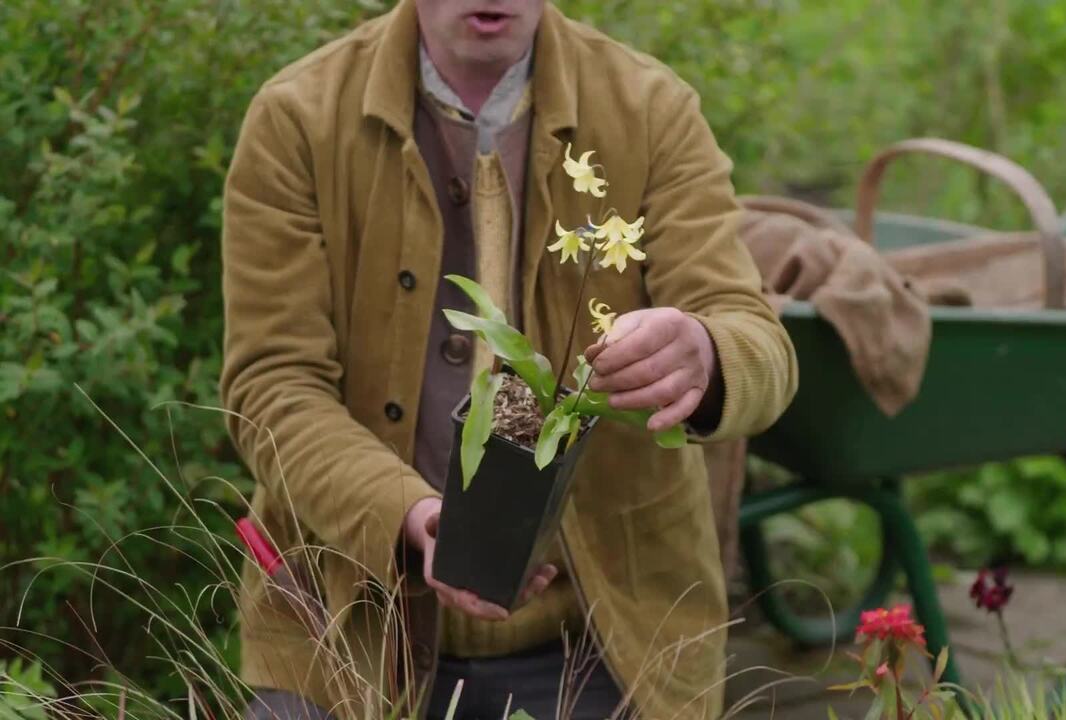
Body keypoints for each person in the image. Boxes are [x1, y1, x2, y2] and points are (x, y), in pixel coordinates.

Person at [220, 0, 797, 717]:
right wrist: (411, 516)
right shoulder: (298, 118)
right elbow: (272, 385)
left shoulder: (651, 108)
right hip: (346, 627)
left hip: (605, 637)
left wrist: (706, 354)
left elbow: (759, 340)